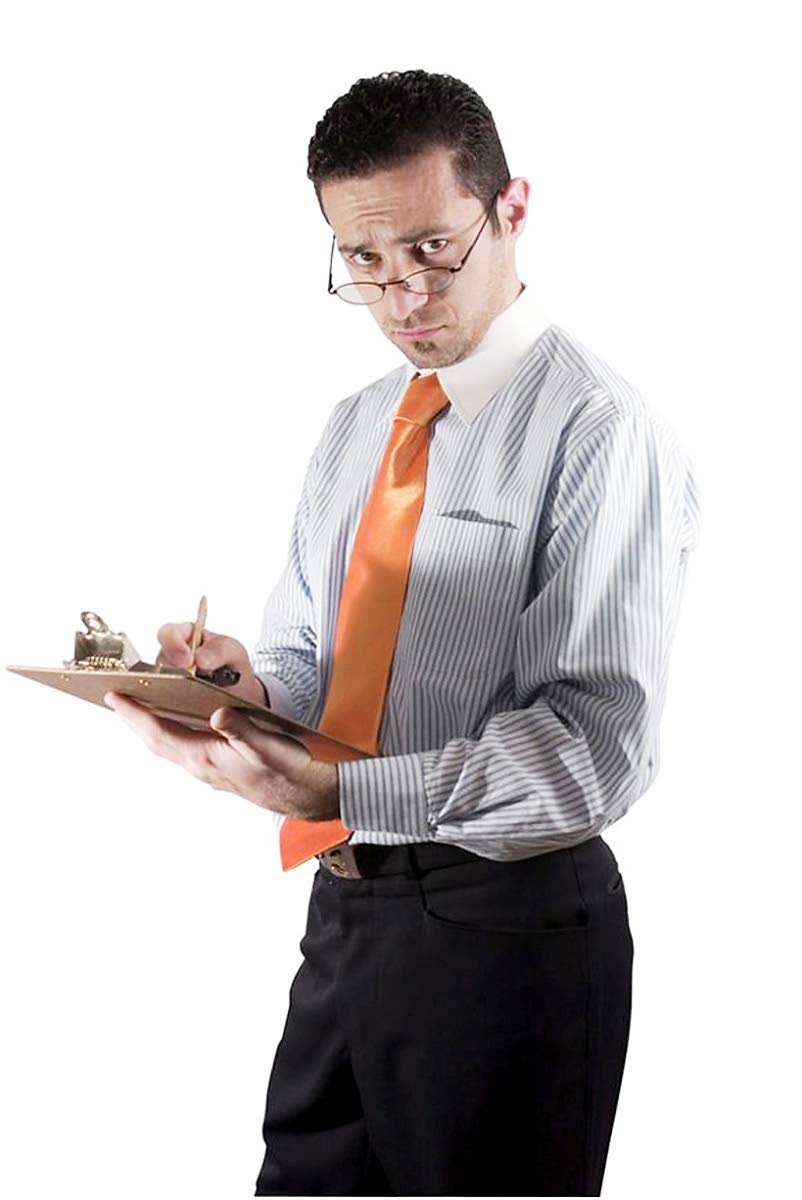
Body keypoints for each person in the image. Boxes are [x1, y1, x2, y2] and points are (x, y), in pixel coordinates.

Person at [105, 69, 701, 1196]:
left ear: (510, 209)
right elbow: (312, 659)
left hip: (507, 930)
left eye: (430, 248)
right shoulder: (356, 425)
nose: (401, 294)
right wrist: (244, 690)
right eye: (364, 261)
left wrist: (344, 791)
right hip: (346, 910)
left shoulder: (600, 430)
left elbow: (595, 752)